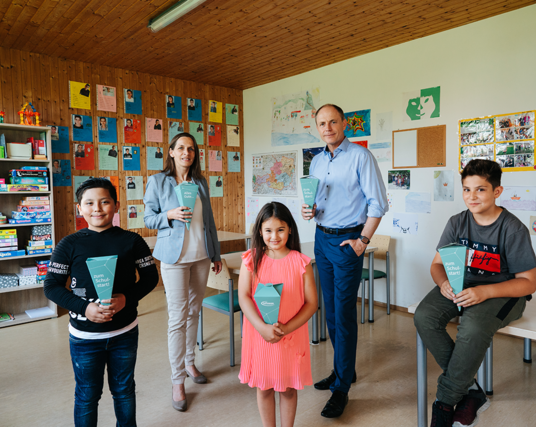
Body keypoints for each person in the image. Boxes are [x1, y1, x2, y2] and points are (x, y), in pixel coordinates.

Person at [414, 159, 536, 427]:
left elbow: (528, 282)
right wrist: (443, 282)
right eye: (467, 189)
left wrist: (484, 292)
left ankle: (444, 402)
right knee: (424, 316)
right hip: (462, 286)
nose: (472, 197)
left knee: (471, 327)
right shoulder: (457, 222)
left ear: (497, 191)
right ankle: (471, 391)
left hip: (504, 293)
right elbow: (437, 264)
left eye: (480, 189)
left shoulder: (513, 228)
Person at [44, 178, 158, 427]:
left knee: (124, 390)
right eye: (90, 203)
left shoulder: (132, 241)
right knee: (87, 395)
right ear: (79, 208)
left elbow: (151, 278)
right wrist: (84, 307)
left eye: (105, 202)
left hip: (124, 332)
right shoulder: (69, 244)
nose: (97, 208)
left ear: (116, 206)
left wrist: (126, 298)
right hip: (85, 337)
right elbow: (51, 286)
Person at [301, 104, 388, 418]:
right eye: (322, 123)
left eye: (332, 122)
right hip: (321, 238)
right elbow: (317, 200)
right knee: (330, 308)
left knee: (344, 311)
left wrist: (362, 241)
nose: (327, 128)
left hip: (348, 240)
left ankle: (342, 388)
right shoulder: (317, 160)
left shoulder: (361, 157)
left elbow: (378, 204)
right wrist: (310, 211)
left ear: (344, 124)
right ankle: (344, 371)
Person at [143, 133, 222, 412]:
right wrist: (169, 215)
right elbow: (148, 218)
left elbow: (209, 221)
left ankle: (189, 362)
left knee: (193, 311)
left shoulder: (200, 182)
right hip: (174, 259)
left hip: (201, 257)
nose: (186, 152)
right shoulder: (158, 181)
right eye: (181, 148)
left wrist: (215, 253)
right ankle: (177, 381)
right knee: (177, 317)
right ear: (171, 152)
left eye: (191, 149)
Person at [238, 202, 318, 427]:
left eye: (280, 229)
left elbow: (312, 303)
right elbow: (244, 297)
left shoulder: (301, 262)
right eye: (268, 230)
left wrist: (287, 329)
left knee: (289, 389)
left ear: (290, 229)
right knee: (264, 388)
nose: (274, 236)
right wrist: (263, 328)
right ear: (260, 231)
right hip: (259, 335)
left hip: (291, 337)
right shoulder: (251, 259)